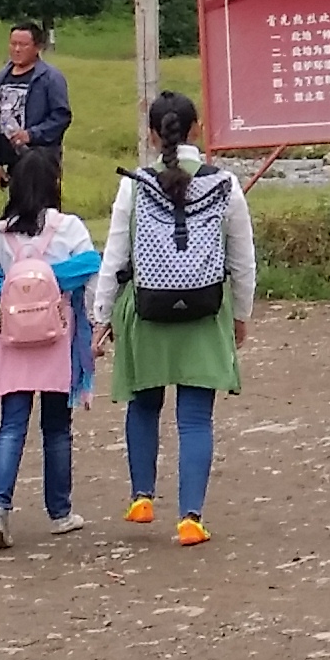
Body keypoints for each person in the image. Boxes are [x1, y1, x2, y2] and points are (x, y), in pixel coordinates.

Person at [101, 88, 256, 545]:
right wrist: (241, 314)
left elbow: (114, 254)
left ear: (152, 135)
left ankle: (142, 497)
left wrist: (102, 314)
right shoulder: (224, 184)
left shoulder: (133, 183)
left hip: (146, 309)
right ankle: (190, 518)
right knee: (194, 419)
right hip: (205, 309)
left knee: (143, 405)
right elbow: (243, 259)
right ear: (197, 129)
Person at [0, 166, 98, 547]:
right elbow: (90, 272)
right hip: (58, 338)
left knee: (11, 426)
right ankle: (60, 512)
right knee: (57, 428)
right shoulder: (69, 228)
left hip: (12, 340)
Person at [0, 22, 74, 208]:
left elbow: (61, 117)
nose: (16, 49)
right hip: (12, 161)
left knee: (43, 210)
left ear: (37, 47)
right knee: (16, 209)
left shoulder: (50, 78)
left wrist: (31, 135)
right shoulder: (2, 77)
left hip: (41, 160)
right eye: (13, 43)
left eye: (23, 45)